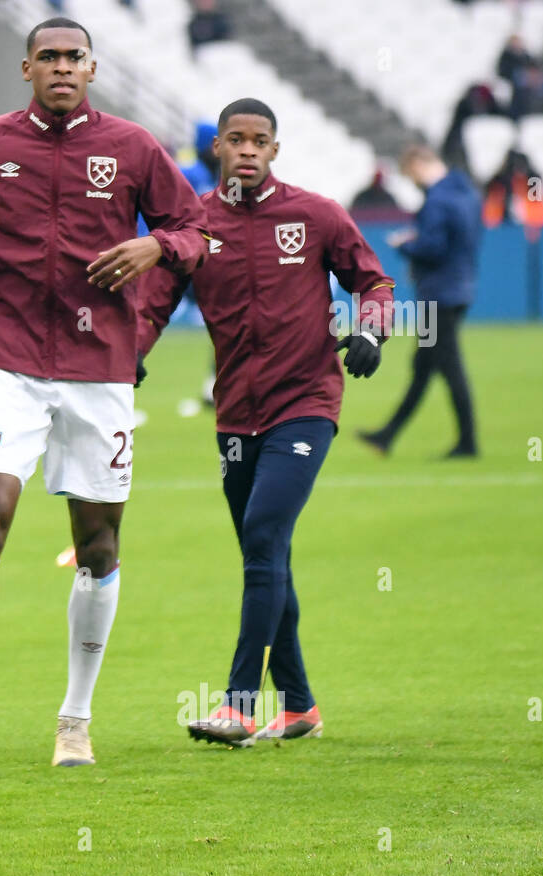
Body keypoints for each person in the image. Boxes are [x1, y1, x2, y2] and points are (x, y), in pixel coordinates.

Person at [0, 16, 208, 773]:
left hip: (99, 371)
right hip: (5, 361)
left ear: (92, 69)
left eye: (74, 58)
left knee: (98, 544)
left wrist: (156, 244)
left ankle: (75, 718)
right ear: (25, 67)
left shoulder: (132, 147)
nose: (62, 68)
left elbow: (196, 226)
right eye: (49, 58)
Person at [141, 98, 395, 747]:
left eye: (260, 140)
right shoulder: (193, 225)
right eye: (236, 139)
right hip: (235, 415)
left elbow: (375, 283)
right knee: (266, 553)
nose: (248, 150)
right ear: (217, 150)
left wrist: (373, 329)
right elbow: (154, 302)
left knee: (261, 533)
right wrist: (128, 357)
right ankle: (301, 705)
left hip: (305, 401)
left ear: (275, 150)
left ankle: (236, 704)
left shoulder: (315, 215)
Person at [360, 144, 482, 459]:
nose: (413, 182)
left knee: (450, 367)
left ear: (418, 164)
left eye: (410, 174)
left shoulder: (438, 200)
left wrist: (406, 245)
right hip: (460, 287)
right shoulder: (466, 193)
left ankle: (468, 443)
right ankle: (387, 435)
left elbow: (433, 248)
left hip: (438, 295)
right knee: (424, 365)